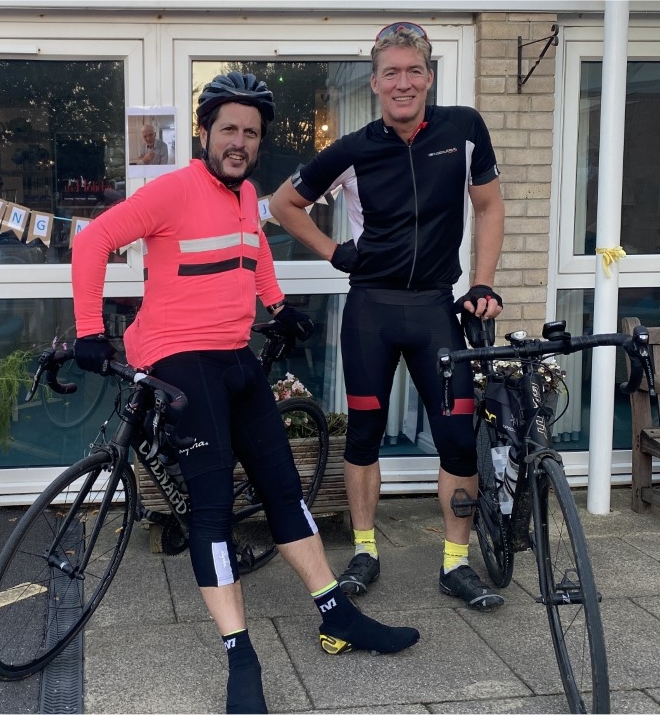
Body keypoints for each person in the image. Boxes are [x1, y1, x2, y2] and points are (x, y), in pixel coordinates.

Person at [72, 71, 420, 714]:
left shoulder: (246, 193)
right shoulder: (171, 191)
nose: (239, 141)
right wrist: (91, 331)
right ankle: (241, 657)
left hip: (234, 356)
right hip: (180, 357)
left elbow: (252, 243)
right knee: (208, 507)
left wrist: (278, 304)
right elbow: (93, 240)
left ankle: (336, 613)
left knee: (283, 488)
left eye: (251, 133)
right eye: (228, 129)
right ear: (205, 132)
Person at [269, 22, 507, 610]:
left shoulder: (465, 129)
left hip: (434, 311)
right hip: (371, 310)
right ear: (375, 82)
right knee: (366, 437)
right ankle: (365, 550)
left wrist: (482, 283)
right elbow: (282, 203)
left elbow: (489, 205)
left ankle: (456, 563)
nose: (404, 82)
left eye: (414, 71)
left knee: (456, 438)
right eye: (391, 72)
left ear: (429, 77)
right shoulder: (353, 148)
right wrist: (336, 252)